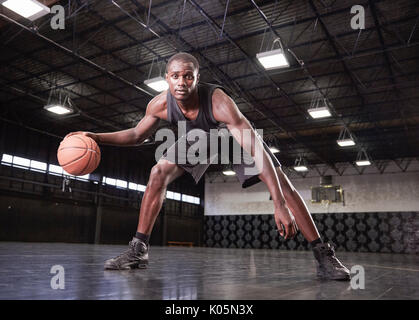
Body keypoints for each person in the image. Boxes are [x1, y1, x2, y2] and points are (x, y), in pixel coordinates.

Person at [66, 52, 350, 281]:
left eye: (188, 76)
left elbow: (257, 151)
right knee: (158, 172)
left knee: (280, 182)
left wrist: (278, 203)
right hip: (199, 139)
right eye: (175, 76)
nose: (181, 82)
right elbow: (136, 135)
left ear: (197, 78)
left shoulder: (219, 103)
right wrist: (94, 136)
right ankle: (138, 250)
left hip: (230, 137)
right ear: (166, 78)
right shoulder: (159, 105)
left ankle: (324, 255)